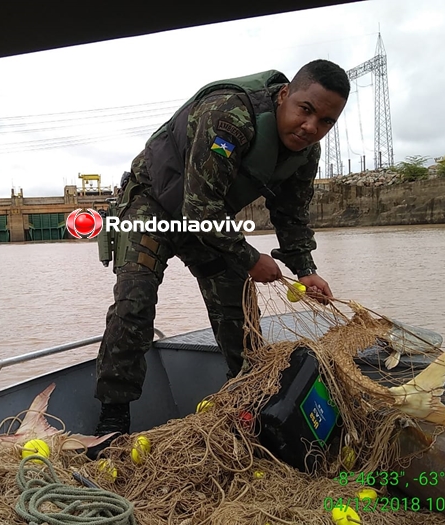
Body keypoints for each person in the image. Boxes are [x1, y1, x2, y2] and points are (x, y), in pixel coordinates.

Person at [89, 59, 350, 457]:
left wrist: (306, 270)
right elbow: (200, 210)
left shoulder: (305, 153)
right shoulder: (229, 115)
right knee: (135, 302)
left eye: (327, 121)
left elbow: (292, 215)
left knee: (239, 311)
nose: (311, 127)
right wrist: (250, 259)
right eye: (306, 109)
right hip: (152, 204)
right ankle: (112, 417)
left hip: (204, 217)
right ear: (284, 95)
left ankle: (246, 402)